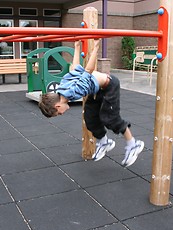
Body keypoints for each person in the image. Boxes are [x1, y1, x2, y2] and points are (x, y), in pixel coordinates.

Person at [38, 39, 144, 167]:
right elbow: (75, 68)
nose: (62, 114)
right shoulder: (62, 88)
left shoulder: (73, 91)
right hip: (97, 90)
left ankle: (133, 144)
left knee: (110, 118)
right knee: (90, 118)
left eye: (59, 113)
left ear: (57, 106)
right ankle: (104, 142)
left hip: (109, 86)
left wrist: (96, 48)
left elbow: (88, 70)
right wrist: (76, 47)